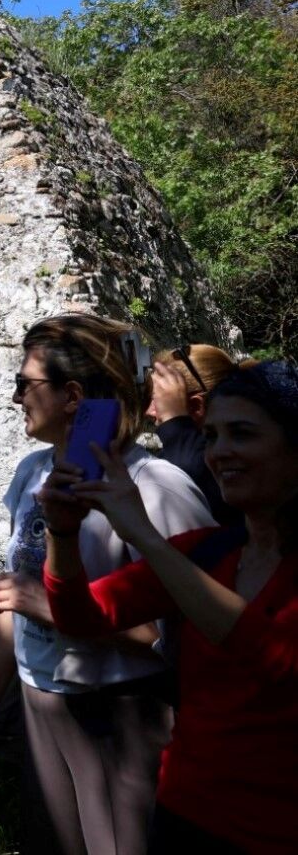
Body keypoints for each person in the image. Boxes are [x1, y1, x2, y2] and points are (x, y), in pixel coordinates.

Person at [0, 314, 214, 855]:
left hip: (121, 715)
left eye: (25, 383)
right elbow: (13, 605)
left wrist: (57, 607)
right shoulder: (31, 475)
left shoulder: (156, 489)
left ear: (72, 395)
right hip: (40, 704)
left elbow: (191, 633)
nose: (15, 397)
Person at [42, 360, 298, 855]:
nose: (219, 452)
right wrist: (62, 531)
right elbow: (81, 617)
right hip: (185, 813)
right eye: (212, 435)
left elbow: (276, 660)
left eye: (242, 434)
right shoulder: (207, 552)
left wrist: (143, 535)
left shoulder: (189, 557)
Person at [146, 344, 241, 526]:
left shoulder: (220, 464)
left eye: (157, 401)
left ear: (196, 406)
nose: (149, 412)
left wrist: (173, 422)